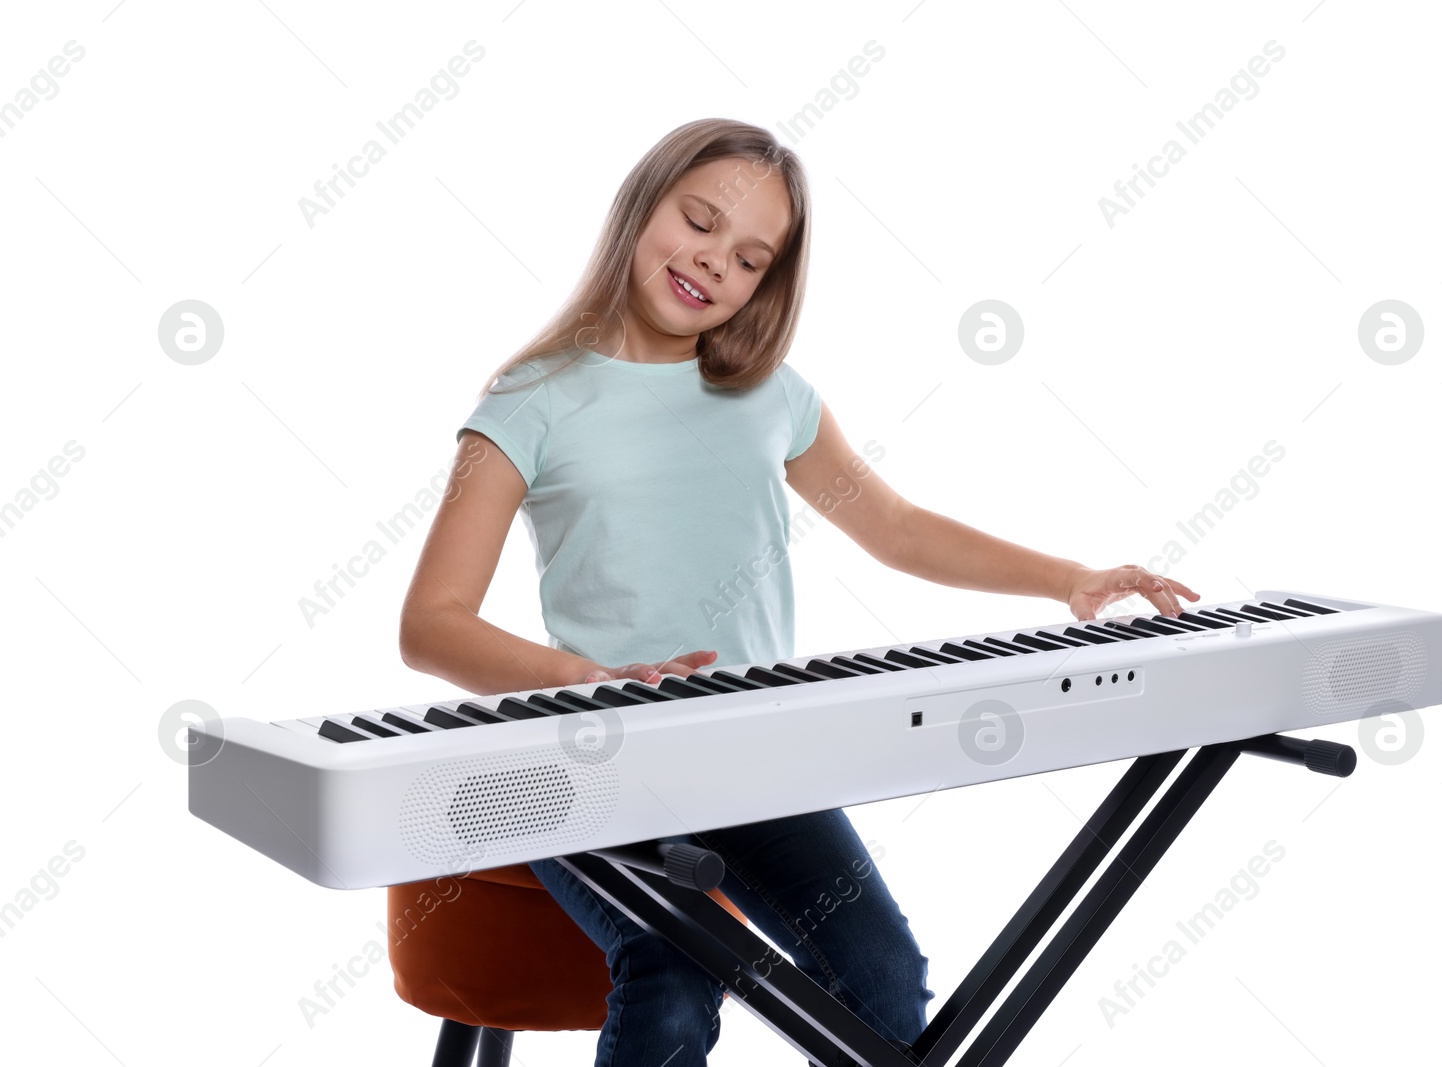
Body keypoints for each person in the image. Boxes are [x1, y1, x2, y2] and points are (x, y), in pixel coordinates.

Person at [399, 117, 1197, 1067]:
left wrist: (1071, 579)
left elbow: (898, 529)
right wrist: (594, 678)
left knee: (886, 987)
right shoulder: (530, 399)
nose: (712, 264)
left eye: (748, 259)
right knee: (673, 961)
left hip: (754, 756)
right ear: (640, 205)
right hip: (592, 760)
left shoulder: (771, 394)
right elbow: (430, 624)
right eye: (697, 221)